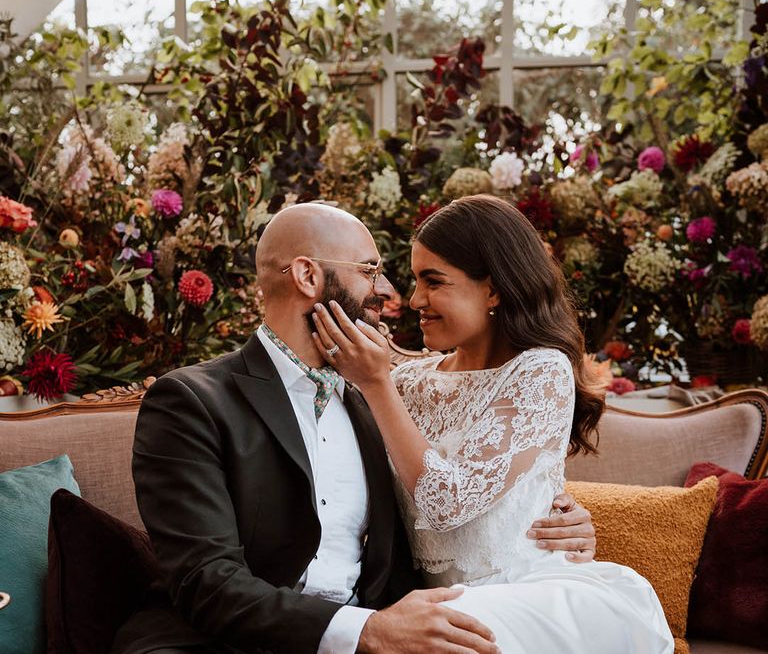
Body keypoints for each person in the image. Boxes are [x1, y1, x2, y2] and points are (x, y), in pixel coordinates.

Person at [112, 202, 598, 654]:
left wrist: (555, 515)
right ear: (307, 275)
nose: (393, 295)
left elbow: (471, 485)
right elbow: (208, 581)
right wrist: (365, 631)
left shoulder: (379, 394)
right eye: (371, 271)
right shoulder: (192, 402)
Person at [310, 195, 675, 653]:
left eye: (434, 281)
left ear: (495, 289)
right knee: (430, 625)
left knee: (445, 629)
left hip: (535, 595)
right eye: (415, 279)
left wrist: (377, 383)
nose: (415, 298)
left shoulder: (540, 371)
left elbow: (448, 503)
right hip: (438, 599)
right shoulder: (405, 381)